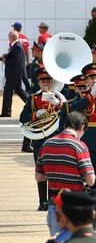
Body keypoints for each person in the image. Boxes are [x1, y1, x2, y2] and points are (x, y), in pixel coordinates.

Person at [36, 111, 95, 236]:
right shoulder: (79, 146)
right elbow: (90, 180)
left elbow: (39, 177)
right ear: (82, 127)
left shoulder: (46, 144)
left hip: (54, 205)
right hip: (75, 206)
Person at [20, 67, 64, 211]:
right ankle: (42, 201)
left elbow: (67, 115)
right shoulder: (33, 98)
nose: (45, 83)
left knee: (55, 170)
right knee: (41, 171)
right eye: (42, 80)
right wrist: (35, 115)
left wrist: (58, 105)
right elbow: (22, 118)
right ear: (38, 82)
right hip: (39, 139)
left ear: (52, 82)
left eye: (48, 80)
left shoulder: (59, 97)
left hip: (55, 137)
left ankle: (53, 200)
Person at [1, 31, 30, 117]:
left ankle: (6, 113)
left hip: (14, 75)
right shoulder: (17, 46)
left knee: (7, 93)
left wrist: (5, 60)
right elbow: (14, 57)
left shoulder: (17, 46)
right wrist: (6, 56)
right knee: (19, 91)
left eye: (9, 37)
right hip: (15, 74)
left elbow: (15, 61)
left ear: (11, 37)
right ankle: (33, 105)